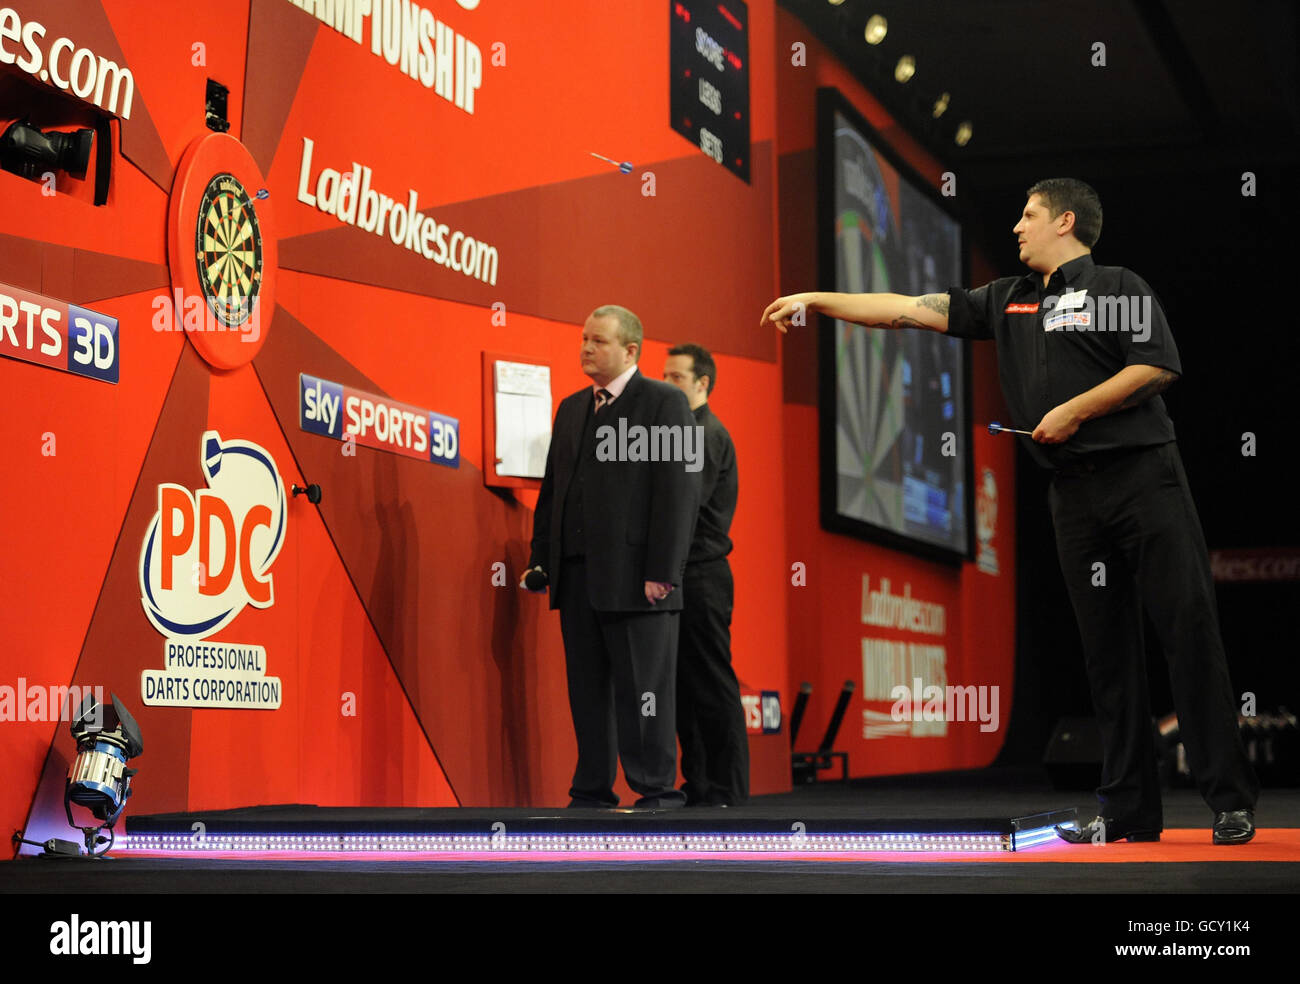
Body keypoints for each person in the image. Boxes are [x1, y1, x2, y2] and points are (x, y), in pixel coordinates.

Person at [761, 178, 1258, 845]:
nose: (1017, 227)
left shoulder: (1115, 286)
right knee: (1107, 655)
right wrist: (819, 299)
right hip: (1074, 496)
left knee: (1188, 633)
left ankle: (1229, 799)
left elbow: (1157, 366)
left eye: (1029, 215)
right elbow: (906, 308)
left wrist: (1074, 410)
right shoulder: (1009, 301)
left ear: (1067, 221)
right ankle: (1129, 811)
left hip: (1145, 480)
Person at [522, 305, 701, 809]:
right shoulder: (572, 408)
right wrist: (542, 561)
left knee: (644, 692)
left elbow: (678, 494)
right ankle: (592, 790)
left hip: (640, 581)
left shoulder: (665, 403)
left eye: (598, 341)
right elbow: (554, 492)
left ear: (630, 351)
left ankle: (656, 791)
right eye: (584, 339)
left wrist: (664, 572)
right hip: (577, 578)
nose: (585, 348)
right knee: (587, 691)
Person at [662, 343, 750, 806]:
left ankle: (726, 792)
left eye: (676, 377)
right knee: (683, 686)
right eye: (665, 376)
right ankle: (700, 786)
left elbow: (684, 507)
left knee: (712, 683)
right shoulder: (679, 434)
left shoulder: (705, 435)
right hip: (682, 576)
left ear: (703, 384)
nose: (666, 384)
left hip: (702, 577)